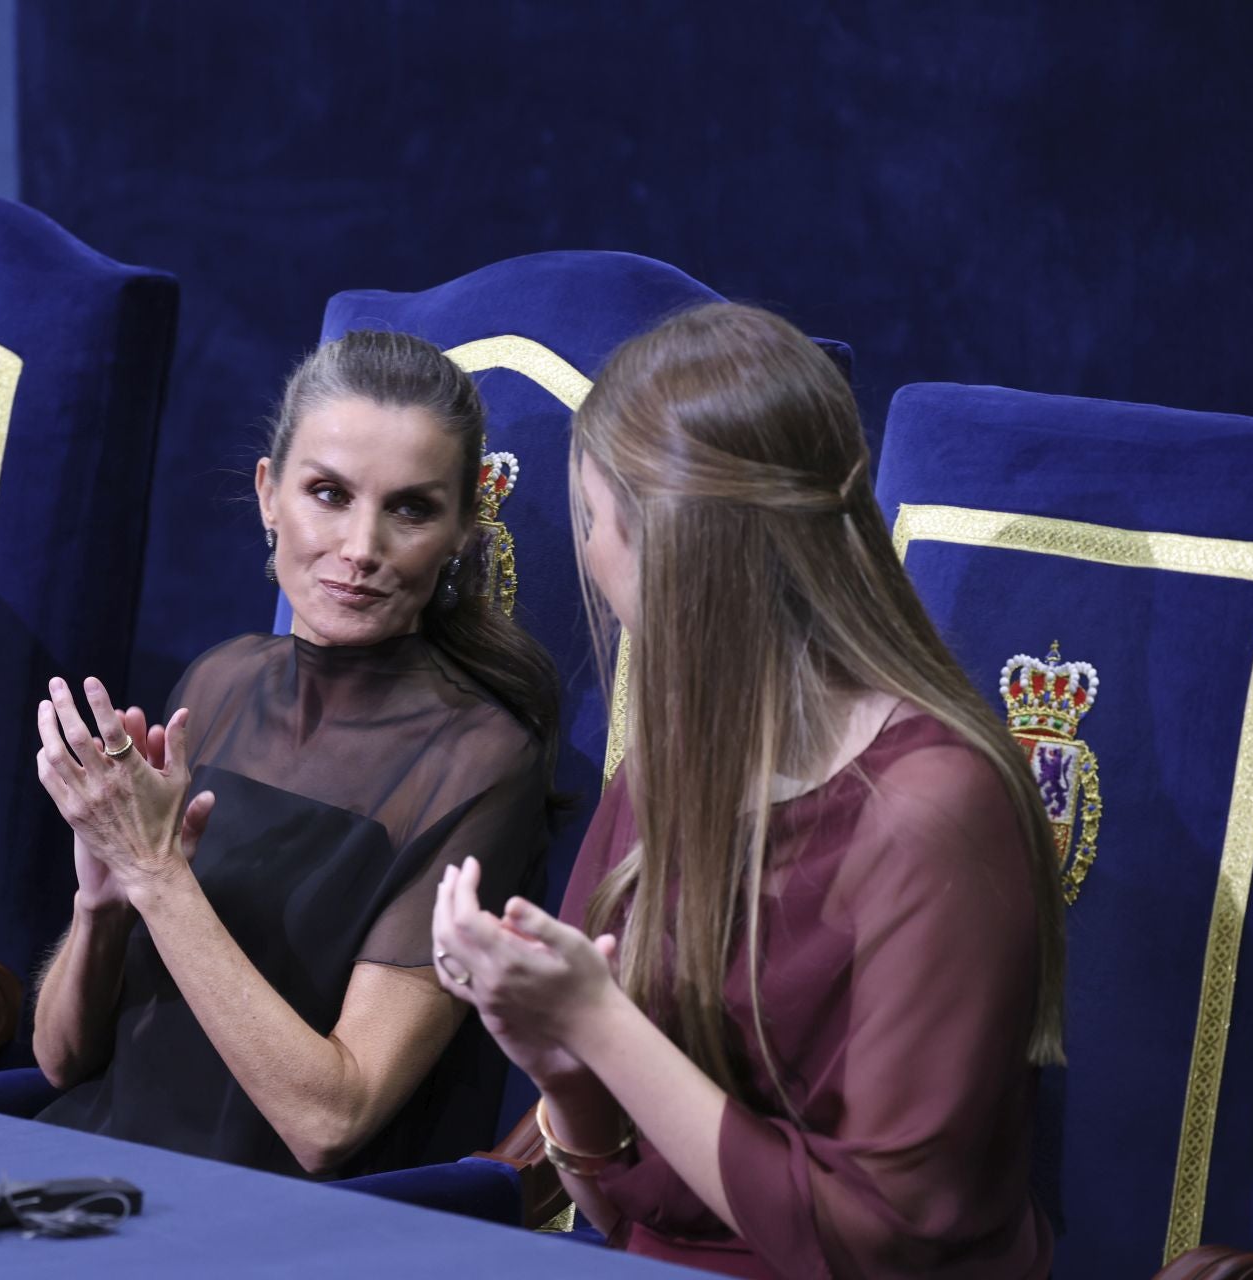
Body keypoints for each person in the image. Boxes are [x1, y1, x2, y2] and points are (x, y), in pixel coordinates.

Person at [431, 303, 1064, 1277]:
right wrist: (561, 1064)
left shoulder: (934, 808)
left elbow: (881, 1243)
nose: (591, 557)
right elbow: (622, 1206)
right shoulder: (675, 755)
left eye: (594, 519)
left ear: (675, 548)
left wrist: (598, 1021)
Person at [0, 330, 561, 1176]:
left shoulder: (480, 760)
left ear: (460, 532)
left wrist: (157, 877)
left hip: (270, 1225)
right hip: (88, 1172)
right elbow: (61, 1061)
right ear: (268, 494)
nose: (362, 547)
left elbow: (329, 1120)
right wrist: (103, 903)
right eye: (328, 493)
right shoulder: (218, 680)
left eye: (410, 508)